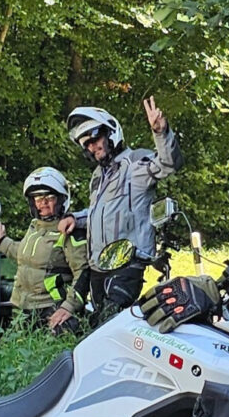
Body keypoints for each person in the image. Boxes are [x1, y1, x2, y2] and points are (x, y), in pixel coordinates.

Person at [65, 96, 182, 322]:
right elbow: (99, 213)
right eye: (87, 144)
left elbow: (168, 164)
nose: (92, 146)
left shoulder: (135, 162)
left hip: (127, 264)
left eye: (95, 138)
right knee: (97, 326)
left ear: (110, 133)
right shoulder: (98, 176)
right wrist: (75, 219)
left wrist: (161, 132)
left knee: (109, 323)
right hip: (99, 267)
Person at [3, 168, 87, 333]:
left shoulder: (69, 229)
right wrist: (1, 241)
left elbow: (83, 272)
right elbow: (24, 255)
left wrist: (68, 307)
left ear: (61, 199)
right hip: (22, 307)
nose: (43, 203)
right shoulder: (34, 227)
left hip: (51, 310)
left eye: (49, 197)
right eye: (38, 198)